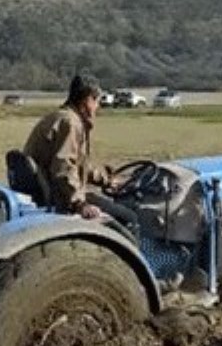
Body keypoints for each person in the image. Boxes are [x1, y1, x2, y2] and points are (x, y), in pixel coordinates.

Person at [23, 75, 139, 230]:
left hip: (51, 190)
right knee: (130, 218)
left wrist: (106, 180)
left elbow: (79, 164)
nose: (98, 107)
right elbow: (63, 167)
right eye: (97, 101)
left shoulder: (59, 117)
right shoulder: (71, 123)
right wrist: (80, 204)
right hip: (60, 197)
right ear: (87, 101)